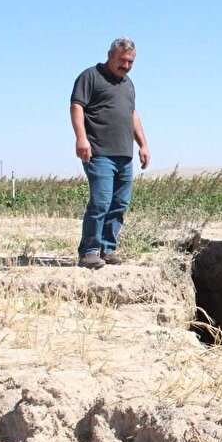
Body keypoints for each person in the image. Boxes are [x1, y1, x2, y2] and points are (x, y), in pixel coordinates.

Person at [70, 37, 150, 269]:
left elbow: (132, 114)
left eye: (131, 62)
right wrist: (81, 138)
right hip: (99, 152)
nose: (126, 66)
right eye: (122, 61)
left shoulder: (128, 84)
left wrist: (143, 145)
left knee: (119, 204)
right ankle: (89, 251)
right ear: (110, 55)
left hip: (124, 154)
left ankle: (108, 248)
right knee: (101, 202)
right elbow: (77, 106)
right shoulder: (90, 77)